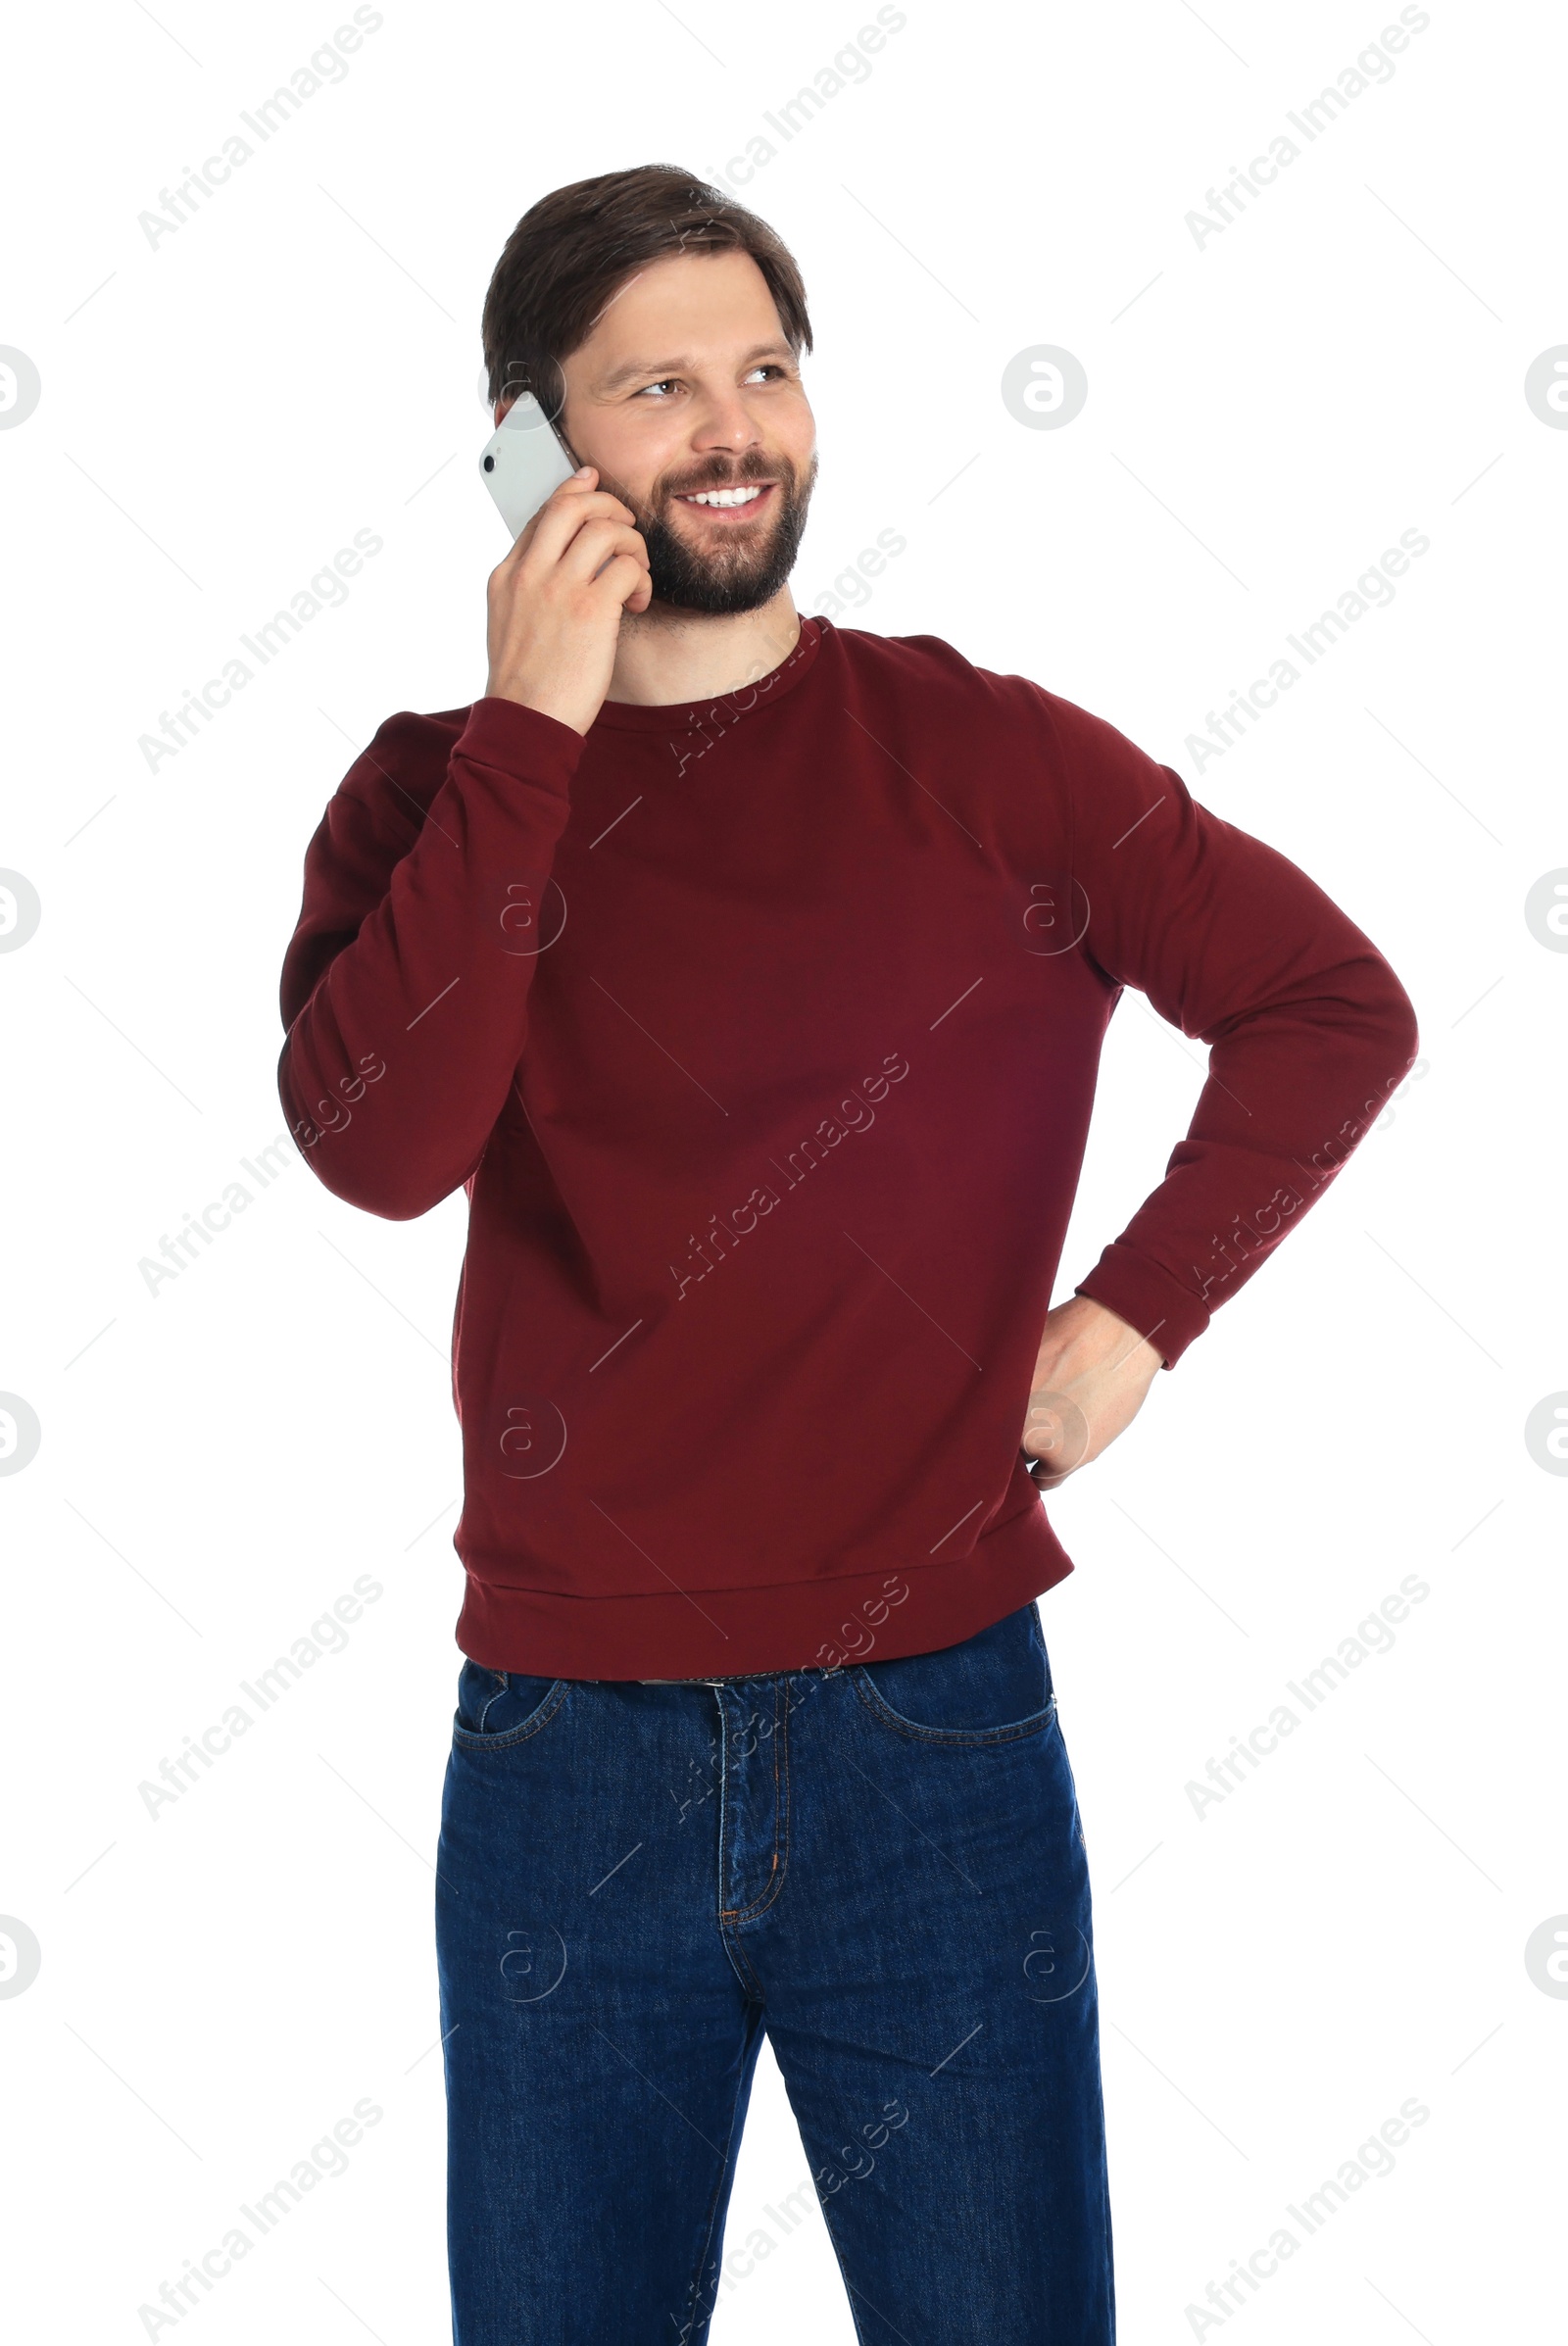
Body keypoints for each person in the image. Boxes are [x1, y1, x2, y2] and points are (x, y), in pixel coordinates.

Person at [275, 164, 1419, 2345]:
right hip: (562, 1765)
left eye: (766, 370)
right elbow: (381, 1151)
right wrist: (534, 723)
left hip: (934, 1743)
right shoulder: (433, 795)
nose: (732, 428)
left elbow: (1327, 1006)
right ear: (530, 448)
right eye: (656, 386)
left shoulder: (985, 759)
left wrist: (1128, 1323)